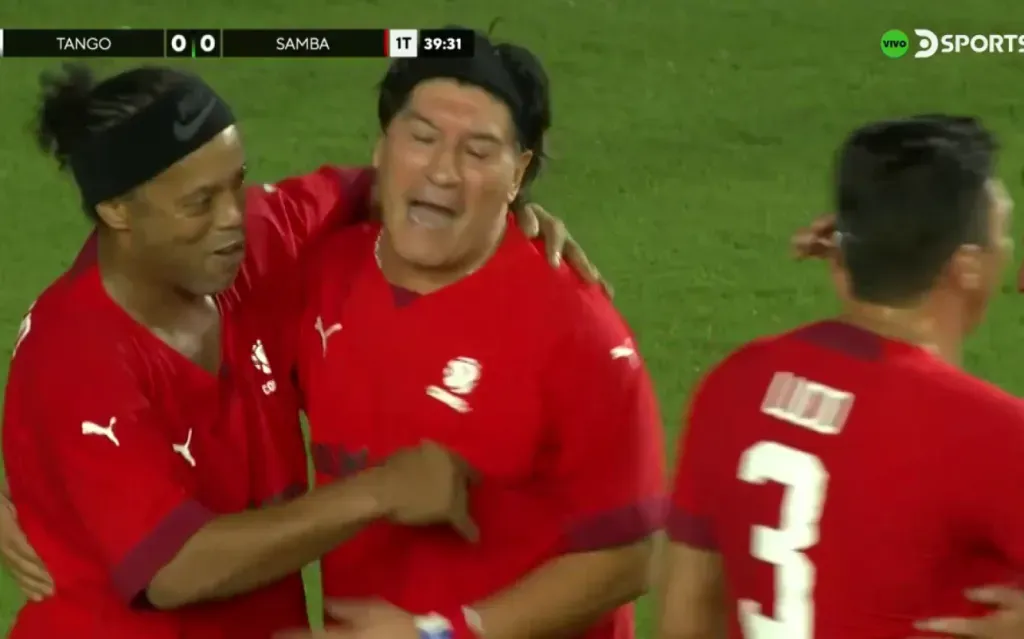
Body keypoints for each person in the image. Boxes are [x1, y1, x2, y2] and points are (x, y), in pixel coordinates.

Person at [0, 64, 602, 638]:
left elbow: (391, 188)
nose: (234, 218)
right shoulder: (78, 358)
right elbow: (174, 570)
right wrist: (381, 490)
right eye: (199, 202)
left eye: (235, 185)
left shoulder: (256, 245)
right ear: (116, 210)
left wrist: (497, 209)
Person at [285, 30, 665, 639]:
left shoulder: (577, 329)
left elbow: (627, 557)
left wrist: (442, 635)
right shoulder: (323, 276)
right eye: (423, 137)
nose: (443, 171)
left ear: (519, 173)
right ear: (383, 147)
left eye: (479, 151)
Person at [658, 115, 1024, 639]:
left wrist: (868, 252)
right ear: (966, 266)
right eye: (1003, 234)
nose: (1008, 252)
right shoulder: (991, 435)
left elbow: (686, 611)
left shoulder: (735, 384)